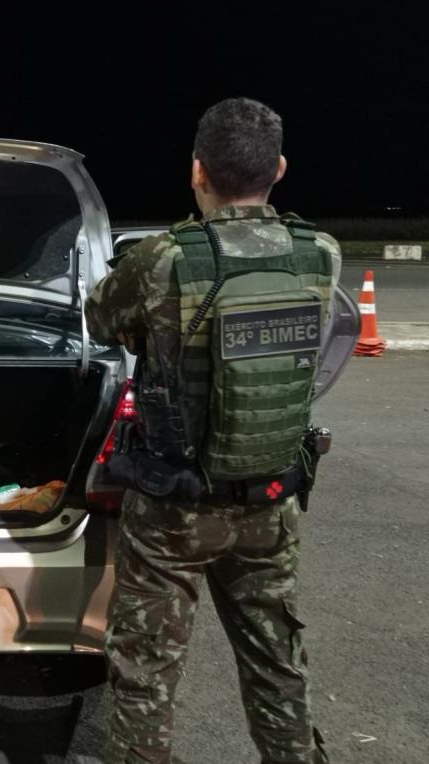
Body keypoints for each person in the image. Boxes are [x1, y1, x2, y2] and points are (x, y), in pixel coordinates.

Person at [86, 97, 339, 764]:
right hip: (270, 499)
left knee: (145, 672)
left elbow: (101, 321)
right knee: (277, 662)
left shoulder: (161, 258)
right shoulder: (320, 254)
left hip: (173, 508)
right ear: (278, 169)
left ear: (197, 170)